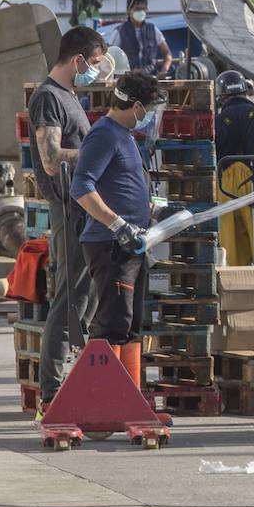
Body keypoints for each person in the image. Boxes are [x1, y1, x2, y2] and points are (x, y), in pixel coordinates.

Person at [70, 70, 165, 391]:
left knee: (132, 324)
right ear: (136, 105)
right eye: (149, 109)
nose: (150, 116)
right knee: (113, 322)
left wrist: (151, 208)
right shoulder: (104, 135)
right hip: (111, 243)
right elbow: (81, 187)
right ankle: (100, 395)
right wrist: (117, 223)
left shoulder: (124, 135)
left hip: (132, 243)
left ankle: (131, 398)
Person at [30, 25, 108, 413]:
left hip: (84, 207)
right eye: (93, 63)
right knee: (70, 298)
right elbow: (50, 157)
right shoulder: (48, 98)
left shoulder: (70, 97)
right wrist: (99, 153)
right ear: (78, 59)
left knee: (88, 295)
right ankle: (52, 392)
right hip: (68, 207)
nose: (95, 70)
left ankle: (73, 382)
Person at [214, 70, 254, 265]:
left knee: (231, 238)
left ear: (221, 94)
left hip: (226, 181)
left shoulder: (218, 119)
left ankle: (235, 279)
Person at [116, 0, 173, 76]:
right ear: (128, 11)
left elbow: (167, 54)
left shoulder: (153, 30)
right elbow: (109, 57)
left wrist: (164, 70)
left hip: (150, 78)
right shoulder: (119, 31)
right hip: (128, 79)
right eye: (137, 9)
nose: (141, 12)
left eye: (143, 9)